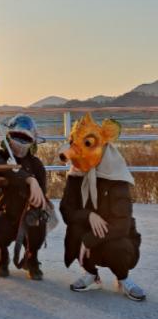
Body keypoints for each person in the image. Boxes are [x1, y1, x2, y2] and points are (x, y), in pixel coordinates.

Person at [59, 113, 145, 301]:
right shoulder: (77, 175)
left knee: (118, 247)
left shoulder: (116, 177)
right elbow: (66, 210)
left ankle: (123, 278)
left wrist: (89, 239)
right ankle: (91, 274)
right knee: (74, 229)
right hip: (89, 232)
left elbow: (122, 225)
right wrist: (88, 215)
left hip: (116, 236)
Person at [0, 114, 48, 280]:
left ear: (32, 142)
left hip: (27, 216)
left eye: (25, 138)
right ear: (8, 137)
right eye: (16, 136)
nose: (20, 143)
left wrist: (38, 199)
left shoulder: (37, 165)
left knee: (39, 220)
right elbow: (2, 168)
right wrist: (29, 180)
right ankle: (2, 254)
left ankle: (32, 257)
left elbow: (42, 197)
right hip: (5, 215)